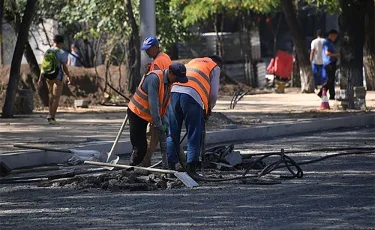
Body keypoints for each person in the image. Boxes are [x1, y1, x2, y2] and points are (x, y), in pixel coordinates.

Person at [166, 55, 223, 174]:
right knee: (193, 133)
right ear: (218, 63)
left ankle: (171, 166)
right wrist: (208, 110)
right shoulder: (214, 67)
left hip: (175, 92)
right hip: (191, 97)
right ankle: (191, 168)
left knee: (173, 132)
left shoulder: (193, 61)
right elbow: (213, 94)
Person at [127, 63, 188, 166]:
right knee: (140, 147)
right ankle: (131, 169)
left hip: (148, 115)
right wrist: (159, 125)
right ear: (170, 72)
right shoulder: (154, 79)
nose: (177, 80)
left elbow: (164, 104)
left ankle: (177, 164)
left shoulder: (169, 82)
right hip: (137, 113)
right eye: (177, 77)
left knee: (164, 139)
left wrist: (165, 122)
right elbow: (153, 106)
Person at [139, 37, 173, 167]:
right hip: (166, 100)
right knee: (167, 133)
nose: (147, 52)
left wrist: (155, 111)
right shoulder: (165, 57)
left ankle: (145, 161)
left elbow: (153, 87)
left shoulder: (157, 63)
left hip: (159, 103)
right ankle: (178, 160)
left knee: (152, 134)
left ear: (155, 47)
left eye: (148, 49)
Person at [38, 35, 71, 124]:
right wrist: (68, 76)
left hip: (48, 77)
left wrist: (40, 79)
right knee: (56, 98)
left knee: (51, 96)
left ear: (54, 42)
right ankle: (52, 117)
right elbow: (64, 67)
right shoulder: (61, 52)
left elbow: (43, 67)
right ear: (60, 43)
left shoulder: (48, 51)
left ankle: (49, 114)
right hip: (58, 77)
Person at [318, 29, 340, 100]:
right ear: (331, 35)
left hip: (331, 62)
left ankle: (331, 94)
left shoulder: (330, 42)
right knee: (330, 79)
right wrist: (338, 54)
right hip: (329, 63)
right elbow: (327, 53)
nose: (335, 38)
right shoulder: (327, 42)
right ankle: (323, 92)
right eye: (335, 36)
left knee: (331, 79)